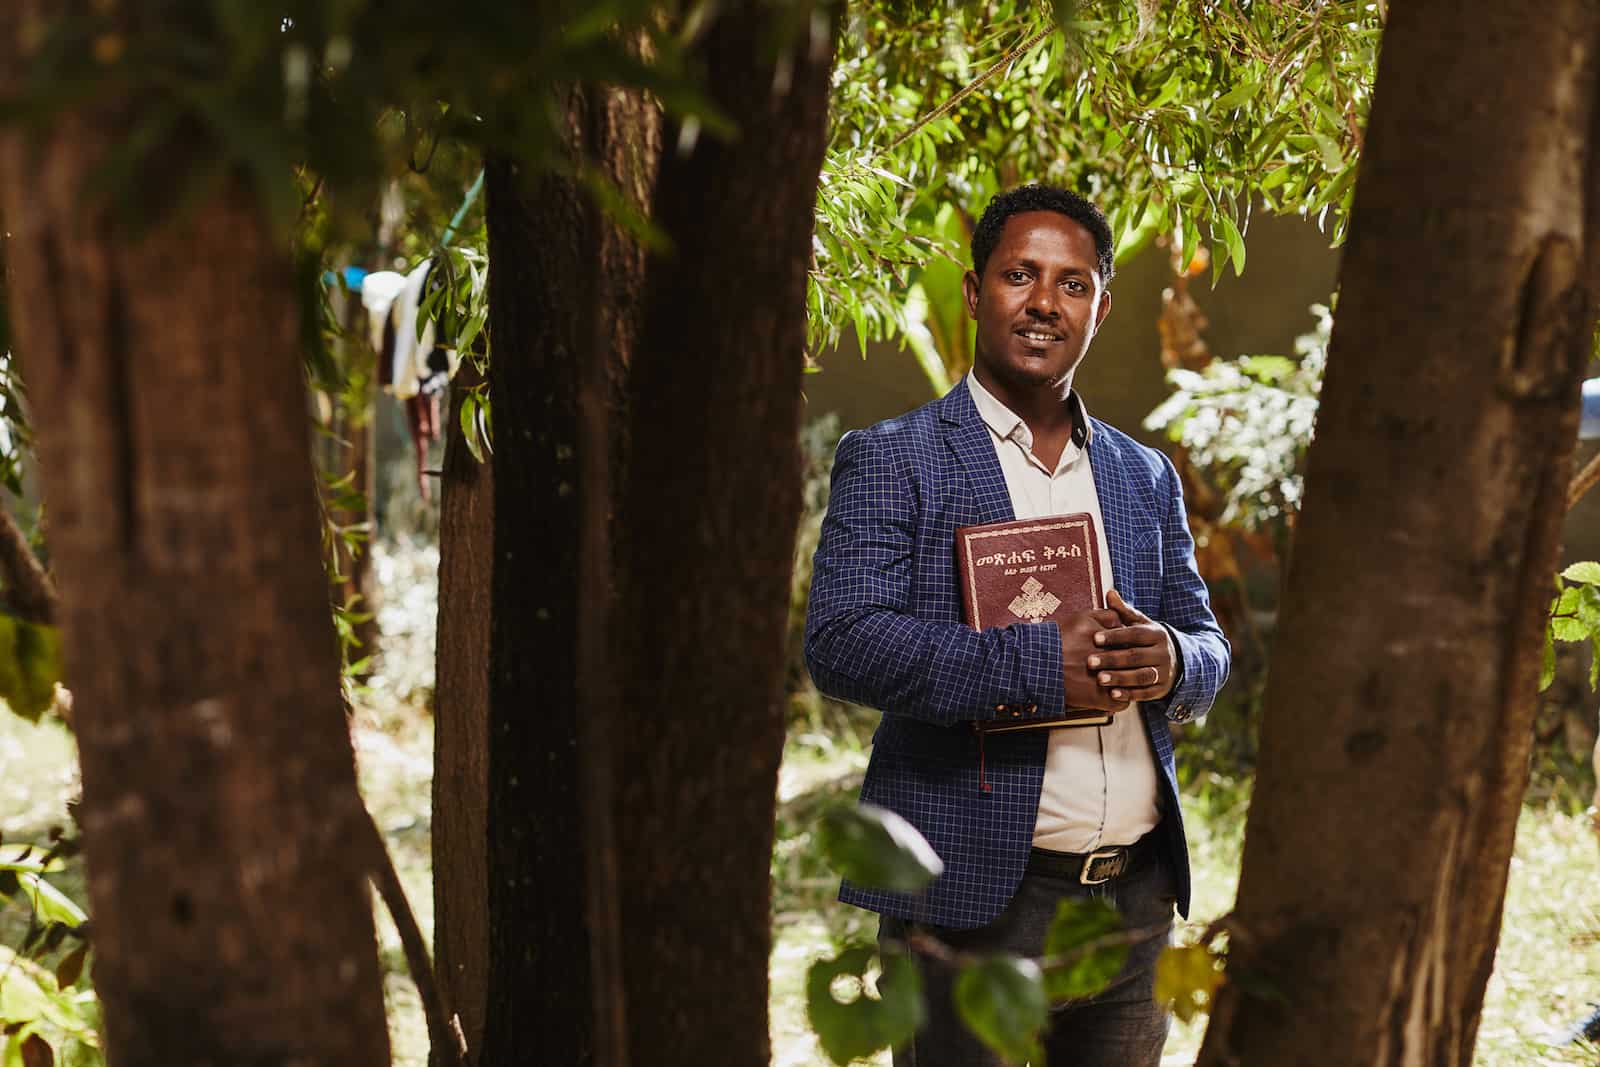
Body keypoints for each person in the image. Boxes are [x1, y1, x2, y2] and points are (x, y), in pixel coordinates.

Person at [805, 184, 1231, 1066]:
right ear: (973, 290)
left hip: (1133, 902)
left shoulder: (1141, 474)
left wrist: (1172, 662)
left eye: (1073, 285)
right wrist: (1040, 665)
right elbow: (842, 640)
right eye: (1020, 275)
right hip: (975, 898)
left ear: (1101, 307)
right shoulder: (896, 456)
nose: (1045, 301)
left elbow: (1209, 642)